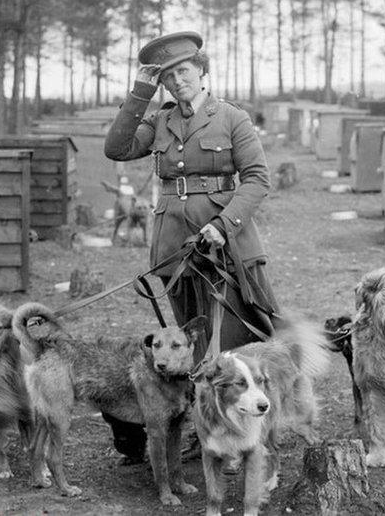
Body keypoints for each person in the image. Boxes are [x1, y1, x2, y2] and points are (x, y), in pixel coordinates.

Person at [101, 30, 281, 463]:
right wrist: (141, 92)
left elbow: (257, 179)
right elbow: (117, 148)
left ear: (202, 71)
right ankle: (204, 429)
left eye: (183, 71)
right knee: (189, 343)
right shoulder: (160, 120)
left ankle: (248, 434)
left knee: (236, 340)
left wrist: (224, 223)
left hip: (226, 245)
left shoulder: (231, 117)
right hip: (174, 247)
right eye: (167, 77)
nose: (177, 81)